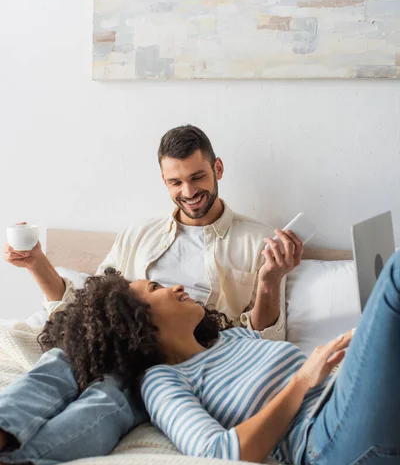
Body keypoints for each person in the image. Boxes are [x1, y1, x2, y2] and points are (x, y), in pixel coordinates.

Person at [2, 252, 400, 465]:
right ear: (138, 322)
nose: (174, 287)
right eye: (156, 289)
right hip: (327, 440)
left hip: (349, 404)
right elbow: (218, 454)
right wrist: (301, 381)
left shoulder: (235, 339)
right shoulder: (163, 380)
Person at [4, 125, 303, 340]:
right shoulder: (139, 233)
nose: (188, 192)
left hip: (197, 357)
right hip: (125, 348)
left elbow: (265, 342)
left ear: (218, 169)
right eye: (176, 182)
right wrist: (36, 262)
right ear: (164, 180)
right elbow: (87, 305)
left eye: (198, 177)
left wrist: (270, 281)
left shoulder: (261, 242)